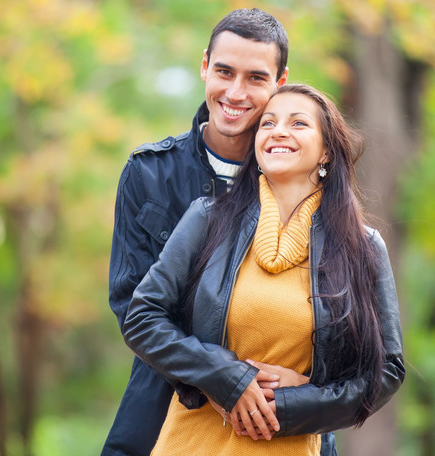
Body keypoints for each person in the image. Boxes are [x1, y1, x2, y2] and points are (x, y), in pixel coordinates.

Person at [124, 83, 405, 455]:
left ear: (326, 152)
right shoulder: (207, 219)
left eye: (298, 123)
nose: (278, 131)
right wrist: (226, 378)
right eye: (267, 123)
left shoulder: (363, 247)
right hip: (192, 442)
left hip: (288, 444)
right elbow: (142, 317)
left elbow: (386, 371)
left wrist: (295, 404)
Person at [102, 8, 292, 456]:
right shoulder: (147, 174)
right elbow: (133, 309)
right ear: (205, 65)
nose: (235, 92)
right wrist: (224, 377)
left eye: (256, 78)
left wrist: (284, 385)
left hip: (276, 414)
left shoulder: (298, 182)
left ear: (280, 83)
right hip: (161, 410)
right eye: (224, 71)